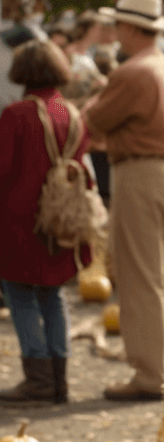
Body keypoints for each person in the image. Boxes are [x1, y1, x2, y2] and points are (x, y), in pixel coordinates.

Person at [84, 0, 164, 401]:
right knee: (162, 280)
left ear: (130, 28)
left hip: (139, 175)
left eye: (117, 24)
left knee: (139, 281)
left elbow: (93, 120)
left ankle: (149, 375)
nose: (114, 31)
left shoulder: (132, 72)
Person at [0, 39, 91, 403]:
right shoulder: (73, 113)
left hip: (20, 218)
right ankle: (59, 377)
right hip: (62, 220)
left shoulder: (17, 114)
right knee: (54, 294)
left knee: (19, 293)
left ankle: (37, 376)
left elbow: (4, 169)